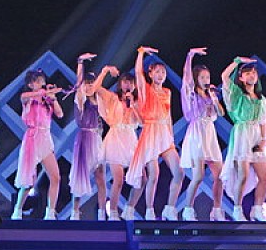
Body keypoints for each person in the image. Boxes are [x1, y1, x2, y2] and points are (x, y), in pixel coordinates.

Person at [125, 46, 185, 221]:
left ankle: (170, 208)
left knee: (179, 172)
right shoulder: (145, 89)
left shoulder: (167, 92)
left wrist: (171, 136)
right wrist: (141, 53)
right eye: (157, 72)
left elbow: (168, 116)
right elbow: (138, 72)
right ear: (150, 74)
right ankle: (149, 210)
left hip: (165, 134)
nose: (161, 75)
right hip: (150, 132)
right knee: (154, 174)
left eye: (163, 72)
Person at [220, 56, 266, 221]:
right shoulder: (237, 94)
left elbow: (263, 121)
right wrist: (237, 62)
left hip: (256, 136)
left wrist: (263, 139)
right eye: (248, 73)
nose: (252, 75)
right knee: (243, 175)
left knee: (265, 176)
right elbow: (224, 77)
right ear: (241, 78)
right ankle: (237, 210)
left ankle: (257, 210)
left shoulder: (261, 98)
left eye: (254, 73)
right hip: (242, 134)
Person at [179, 47, 226, 221]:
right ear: (196, 78)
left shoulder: (210, 95)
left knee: (220, 175)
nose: (206, 80)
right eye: (202, 77)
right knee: (198, 176)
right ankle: (188, 209)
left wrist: (214, 99)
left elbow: (221, 113)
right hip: (197, 133)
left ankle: (217, 209)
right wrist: (190, 55)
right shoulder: (191, 94)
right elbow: (186, 78)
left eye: (208, 77)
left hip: (209, 134)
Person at [11, 69, 63, 220]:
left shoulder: (46, 100)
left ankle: (50, 212)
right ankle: (18, 210)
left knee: (55, 177)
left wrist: (53, 98)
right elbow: (23, 97)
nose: (41, 83)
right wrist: (42, 93)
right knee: (28, 182)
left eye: (42, 81)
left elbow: (60, 114)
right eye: (38, 81)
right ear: (30, 84)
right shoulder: (28, 98)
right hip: (32, 139)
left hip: (45, 139)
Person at [96, 70, 144, 221]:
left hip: (130, 138)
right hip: (115, 137)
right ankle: (113, 212)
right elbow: (96, 88)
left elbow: (142, 122)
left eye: (131, 82)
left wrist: (133, 105)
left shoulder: (137, 101)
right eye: (125, 81)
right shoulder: (113, 98)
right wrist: (104, 71)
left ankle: (129, 209)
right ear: (120, 84)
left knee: (142, 178)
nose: (128, 85)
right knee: (118, 179)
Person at [68, 53, 108, 220]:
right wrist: (80, 63)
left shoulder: (99, 100)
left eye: (92, 82)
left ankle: (102, 212)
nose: (89, 85)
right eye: (87, 83)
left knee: (101, 176)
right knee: (80, 174)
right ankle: (75, 211)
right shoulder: (80, 99)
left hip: (97, 139)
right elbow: (78, 85)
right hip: (84, 139)